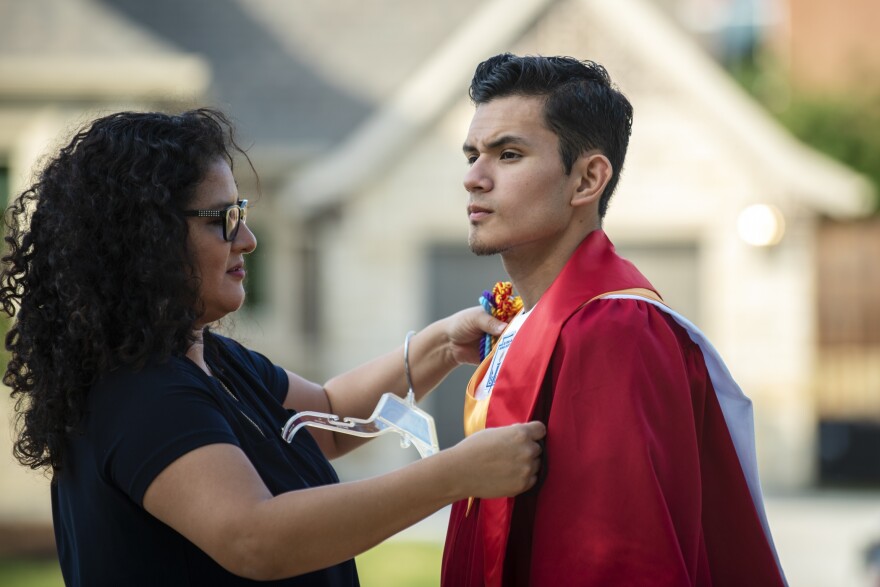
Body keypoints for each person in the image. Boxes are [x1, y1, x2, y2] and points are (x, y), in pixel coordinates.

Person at [0, 108, 547, 586]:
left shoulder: (210, 359)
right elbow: (256, 538)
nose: (248, 239)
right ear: (145, 238)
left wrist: (442, 346)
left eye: (241, 213)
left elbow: (328, 418)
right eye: (223, 220)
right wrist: (457, 474)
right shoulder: (140, 394)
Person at [440, 53, 788, 586]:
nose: (473, 179)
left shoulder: (615, 330)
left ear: (587, 180)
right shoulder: (531, 322)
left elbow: (619, 561)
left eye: (507, 154)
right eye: (471, 156)